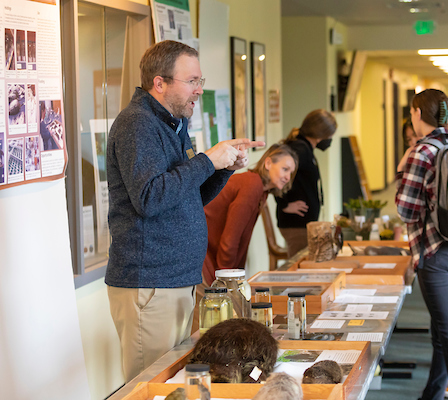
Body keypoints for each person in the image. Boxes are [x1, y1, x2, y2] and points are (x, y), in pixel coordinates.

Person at [105, 40, 263, 381]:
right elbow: (150, 197)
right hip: (150, 282)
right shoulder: (137, 124)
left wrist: (223, 168)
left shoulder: (171, 125)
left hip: (176, 280)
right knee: (151, 385)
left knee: (173, 383)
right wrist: (208, 160)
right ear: (159, 83)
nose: (198, 91)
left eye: (200, 82)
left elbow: (185, 196)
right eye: (192, 81)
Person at [396, 89, 448, 400]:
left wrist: (402, 170)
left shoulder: (421, 152)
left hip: (435, 254)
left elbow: (406, 209)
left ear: (417, 114)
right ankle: (433, 392)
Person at [202, 143, 298, 284]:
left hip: (210, 254)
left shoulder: (262, 191)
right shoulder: (252, 185)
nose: (288, 177)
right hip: (202, 255)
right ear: (268, 163)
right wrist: (229, 279)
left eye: (291, 173)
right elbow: (231, 239)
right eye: (285, 169)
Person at [275, 109, 337, 257]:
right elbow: (276, 175)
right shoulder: (300, 149)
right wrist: (284, 204)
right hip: (296, 225)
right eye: (329, 135)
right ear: (320, 134)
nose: (330, 139)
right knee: (298, 265)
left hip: (302, 223)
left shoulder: (304, 147)